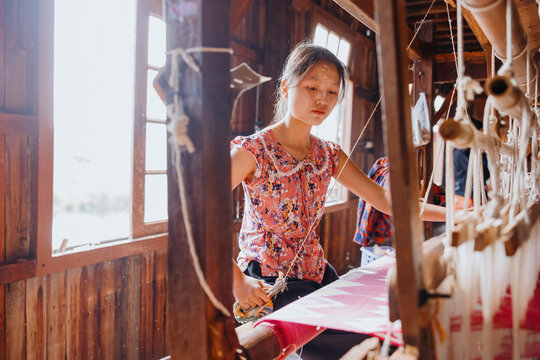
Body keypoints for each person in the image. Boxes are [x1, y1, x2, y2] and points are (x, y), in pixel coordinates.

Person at [229, 42, 446, 359]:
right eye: (312, 87)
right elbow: (201, 217)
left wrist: (455, 214)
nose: (322, 99)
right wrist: (238, 281)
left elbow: (386, 201)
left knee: (388, 324)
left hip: (316, 273)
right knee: (354, 348)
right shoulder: (253, 151)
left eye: (332, 92)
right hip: (269, 280)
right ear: (287, 87)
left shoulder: (327, 154)